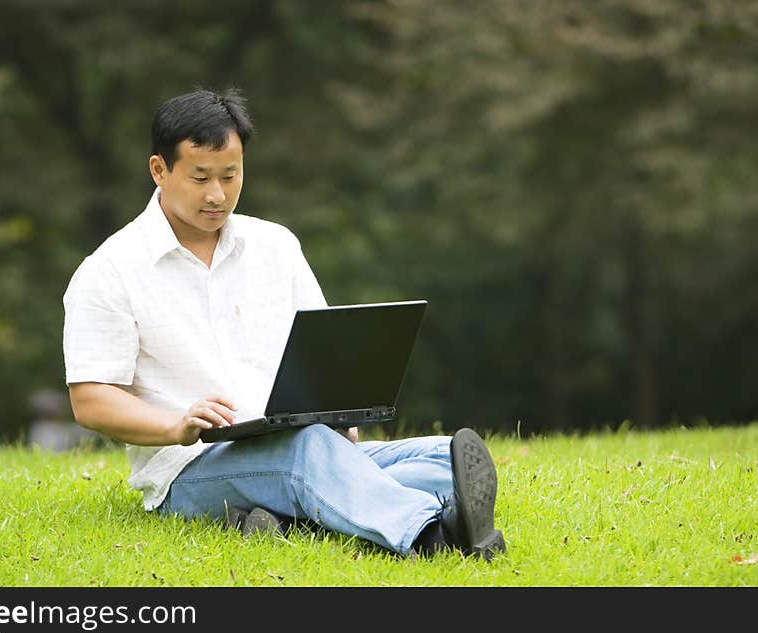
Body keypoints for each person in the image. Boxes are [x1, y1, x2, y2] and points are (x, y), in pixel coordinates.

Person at [62, 88, 506, 560]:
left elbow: (324, 353)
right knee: (308, 455)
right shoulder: (109, 269)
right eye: (200, 177)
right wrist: (175, 425)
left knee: (443, 457)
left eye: (230, 176)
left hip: (301, 442)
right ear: (159, 170)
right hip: (191, 467)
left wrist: (341, 411)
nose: (217, 194)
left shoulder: (276, 245)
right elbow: (91, 399)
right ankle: (431, 536)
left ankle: (282, 516)